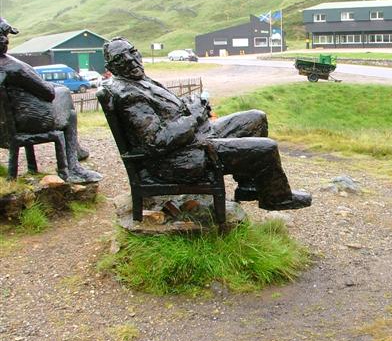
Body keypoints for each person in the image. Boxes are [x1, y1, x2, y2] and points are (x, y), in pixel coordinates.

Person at [102, 37, 311, 210]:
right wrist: (195, 116)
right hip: (179, 158)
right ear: (111, 67)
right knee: (266, 148)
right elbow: (157, 140)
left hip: (192, 138)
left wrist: (193, 104)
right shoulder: (129, 94)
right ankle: (277, 198)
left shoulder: (138, 80)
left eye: (133, 52)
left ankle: (248, 187)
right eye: (121, 59)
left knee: (255, 118)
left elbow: (168, 110)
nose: (130, 60)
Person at [0, 18, 102, 183]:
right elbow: (48, 93)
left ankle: (76, 151)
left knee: (63, 99)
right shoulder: (16, 67)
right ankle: (73, 164)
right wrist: (54, 87)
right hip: (28, 122)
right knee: (68, 106)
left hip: (3, 128)